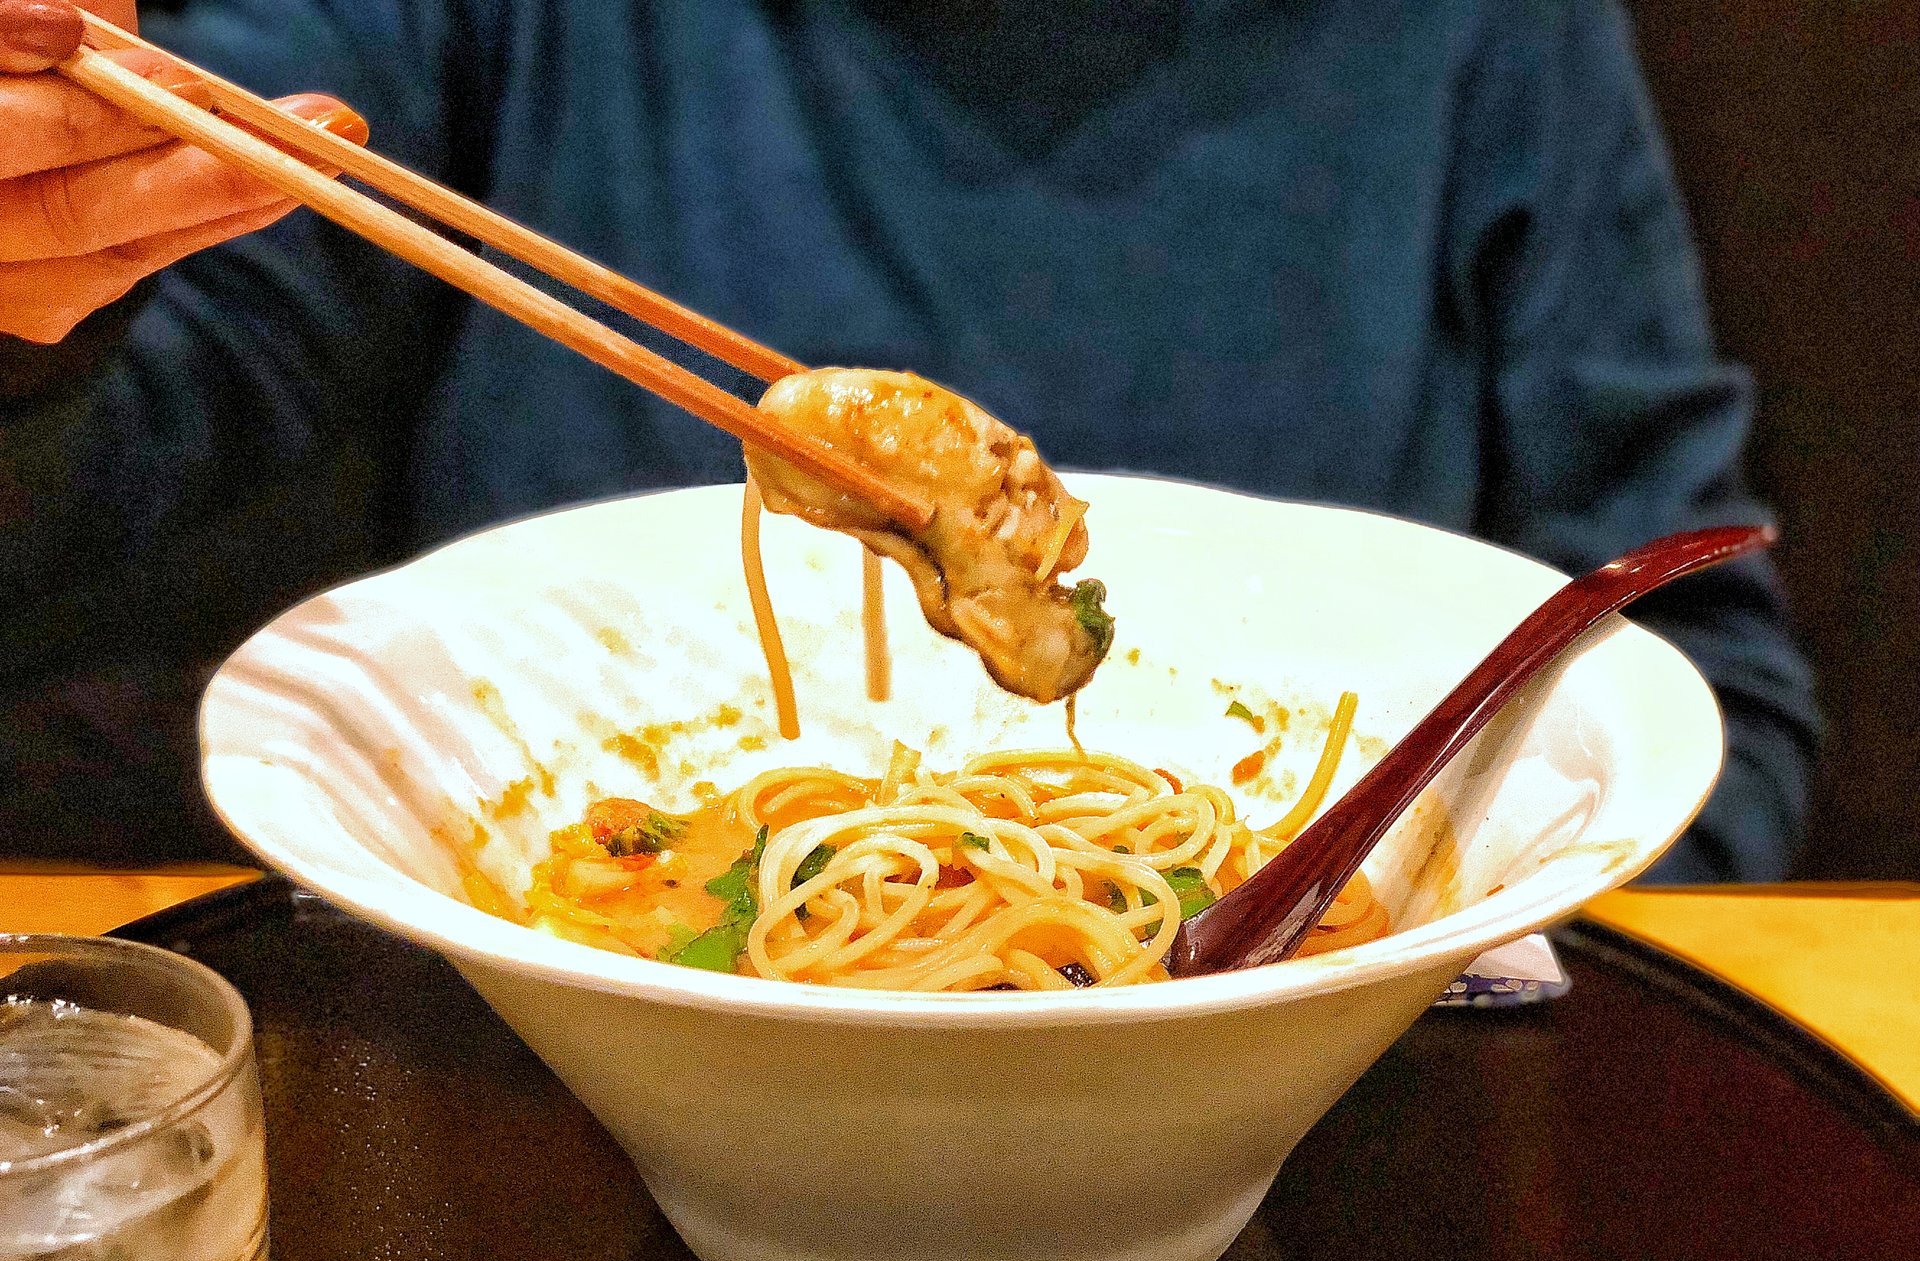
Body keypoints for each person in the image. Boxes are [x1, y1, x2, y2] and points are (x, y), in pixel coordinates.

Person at [0, 0, 1818, 878]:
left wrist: (1422, 972)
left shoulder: (1481, 32)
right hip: (553, 1123)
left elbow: (1685, 671)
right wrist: (26, 313)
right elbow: (88, 507)